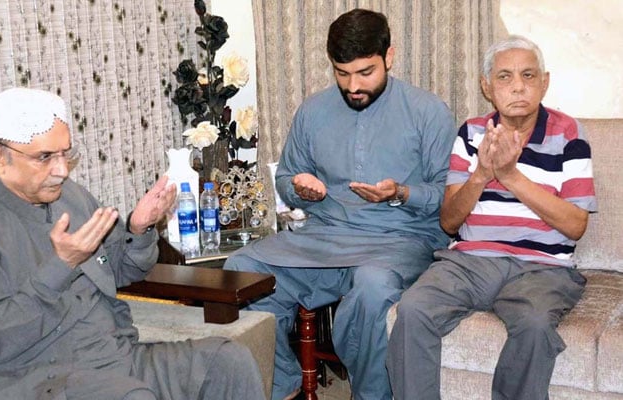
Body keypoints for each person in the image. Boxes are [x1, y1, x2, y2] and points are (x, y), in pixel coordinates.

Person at [0, 87, 266, 400]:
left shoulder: (68, 196)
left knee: (228, 362)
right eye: (45, 157)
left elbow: (118, 270)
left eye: (65, 154)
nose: (60, 170)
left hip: (112, 358)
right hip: (27, 379)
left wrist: (139, 229)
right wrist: (61, 266)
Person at [224, 9, 456, 400]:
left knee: (373, 286)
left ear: (390, 56)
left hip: (399, 241)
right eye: (342, 73)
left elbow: (450, 198)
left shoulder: (427, 112)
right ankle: (283, 384)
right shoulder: (314, 111)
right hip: (324, 236)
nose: (353, 86)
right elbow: (287, 178)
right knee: (241, 269)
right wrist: (303, 189)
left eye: (365, 72)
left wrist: (400, 193)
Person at [386, 35, 597, 400]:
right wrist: (482, 173)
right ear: (486, 86)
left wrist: (511, 175)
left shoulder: (568, 135)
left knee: (533, 325)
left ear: (544, 82)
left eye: (528, 75)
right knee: (414, 309)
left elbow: (576, 225)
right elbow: (449, 223)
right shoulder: (470, 134)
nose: (518, 86)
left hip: (542, 267)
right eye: (504, 77)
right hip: (469, 262)